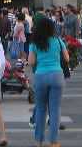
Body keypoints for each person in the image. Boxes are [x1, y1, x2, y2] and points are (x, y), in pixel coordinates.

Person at [29, 14, 69, 147]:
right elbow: (67, 58)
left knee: (40, 109)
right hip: (57, 75)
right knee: (55, 109)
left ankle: (38, 141)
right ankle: (54, 142)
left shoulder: (34, 43)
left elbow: (31, 61)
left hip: (40, 76)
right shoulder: (57, 41)